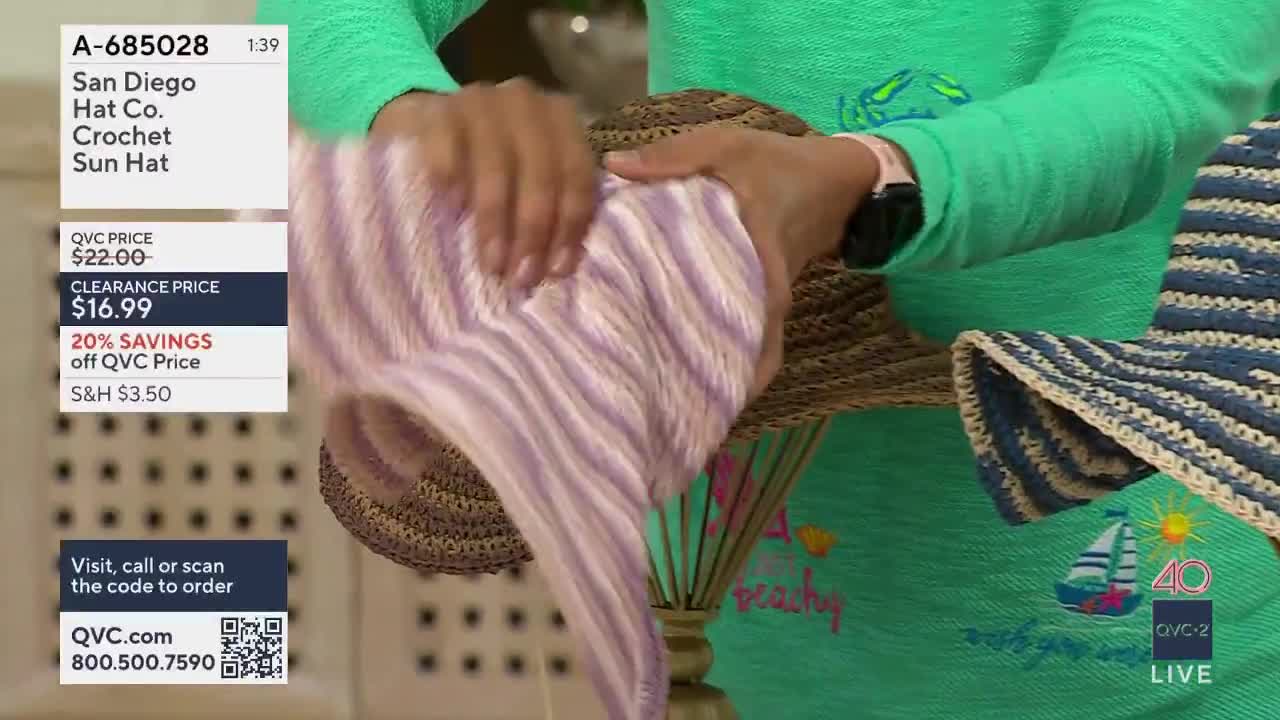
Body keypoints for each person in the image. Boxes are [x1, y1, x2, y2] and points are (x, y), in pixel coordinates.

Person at [261, 1, 1280, 717]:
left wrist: (859, 180)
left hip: (1144, 657)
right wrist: (409, 119)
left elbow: (1159, 89)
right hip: (744, 634)